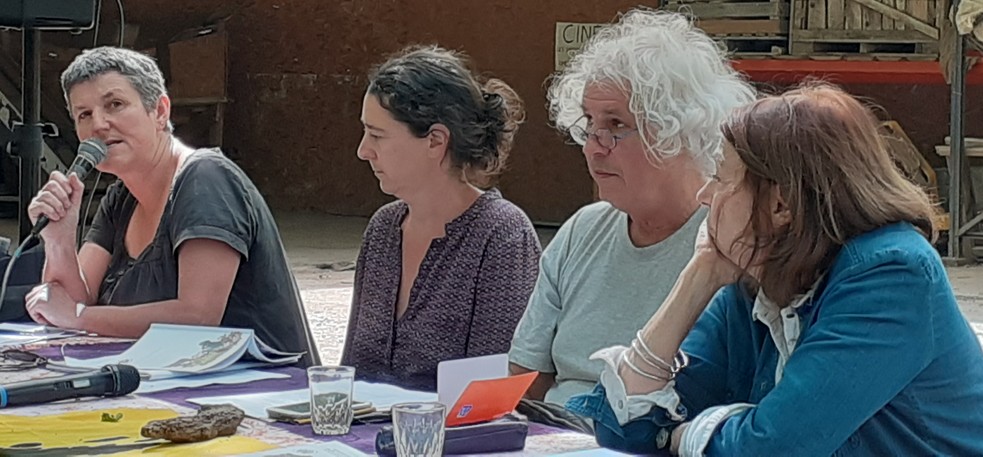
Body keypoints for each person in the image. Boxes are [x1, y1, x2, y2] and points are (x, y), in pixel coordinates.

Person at [568, 83, 983, 456]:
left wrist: (684, 436)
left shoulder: (891, 275)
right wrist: (699, 276)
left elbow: (774, 448)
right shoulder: (752, 278)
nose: (705, 195)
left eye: (720, 178)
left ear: (781, 205)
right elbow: (617, 430)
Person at [508, 8, 756, 408]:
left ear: (682, 130)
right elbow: (525, 379)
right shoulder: (581, 231)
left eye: (617, 125)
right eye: (589, 122)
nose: (592, 145)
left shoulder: (730, 240)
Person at [24, 46, 319, 366]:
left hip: (261, 394)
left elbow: (198, 315)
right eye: (84, 114)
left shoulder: (206, 178)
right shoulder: (120, 199)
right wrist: (58, 240)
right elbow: (69, 302)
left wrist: (80, 317)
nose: (99, 124)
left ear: (160, 111)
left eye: (115, 105)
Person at [339, 45, 541, 391]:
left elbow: (489, 391)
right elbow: (352, 374)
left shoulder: (502, 235)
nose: (363, 150)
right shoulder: (383, 229)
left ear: (435, 141)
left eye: (377, 135)